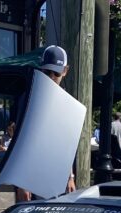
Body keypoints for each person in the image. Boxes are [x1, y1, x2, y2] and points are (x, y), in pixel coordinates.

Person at [14, 45, 76, 202]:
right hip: (32, 177)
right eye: (47, 72)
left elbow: (66, 143)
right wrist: (22, 184)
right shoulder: (28, 100)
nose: (51, 77)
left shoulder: (68, 104)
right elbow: (22, 143)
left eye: (56, 72)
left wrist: (70, 176)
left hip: (58, 178)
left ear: (65, 71)